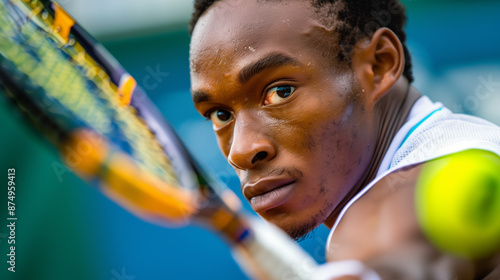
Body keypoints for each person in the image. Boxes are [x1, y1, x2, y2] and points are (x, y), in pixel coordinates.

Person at [187, 0, 500, 278]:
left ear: (378, 65)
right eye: (220, 115)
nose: (240, 151)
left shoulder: (430, 187)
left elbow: (404, 245)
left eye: (280, 91)